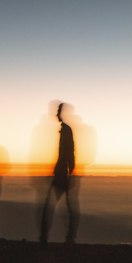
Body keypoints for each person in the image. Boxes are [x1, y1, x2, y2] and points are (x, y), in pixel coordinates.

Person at [38, 103, 79, 244]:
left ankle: (46, 237)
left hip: (62, 173)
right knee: (66, 207)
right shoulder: (65, 129)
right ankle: (69, 237)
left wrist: (69, 172)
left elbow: (69, 152)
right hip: (62, 173)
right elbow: (69, 152)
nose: (56, 113)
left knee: (52, 205)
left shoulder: (66, 130)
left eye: (58, 111)